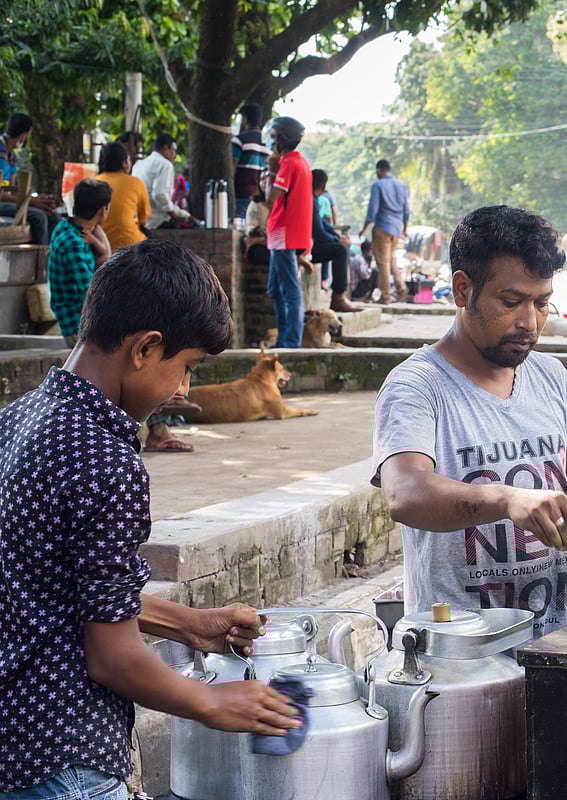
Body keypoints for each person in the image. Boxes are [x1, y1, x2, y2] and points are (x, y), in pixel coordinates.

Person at [0, 239, 299, 797]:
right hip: (67, 756)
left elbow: (56, 587)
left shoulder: (19, 419)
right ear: (144, 349)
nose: (183, 390)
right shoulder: (106, 459)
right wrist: (213, 701)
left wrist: (189, 624)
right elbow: (112, 659)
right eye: (185, 368)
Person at [373, 205, 567, 636]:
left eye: (542, 303)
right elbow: (404, 494)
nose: (529, 322)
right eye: (511, 302)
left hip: (559, 646)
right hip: (464, 655)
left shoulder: (550, 377)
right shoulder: (416, 387)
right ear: (462, 289)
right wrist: (508, 500)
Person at [263, 117, 312, 348]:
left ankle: (291, 342)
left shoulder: (288, 164)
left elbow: (270, 199)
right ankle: (284, 338)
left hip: (284, 233)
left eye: (273, 138)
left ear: (281, 139)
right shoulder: (300, 162)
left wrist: (271, 170)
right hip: (282, 234)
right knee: (275, 290)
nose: (271, 143)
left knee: (290, 291)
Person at [48, 178, 112, 347]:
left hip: (81, 318)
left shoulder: (67, 228)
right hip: (77, 327)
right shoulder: (74, 243)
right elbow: (90, 295)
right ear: (102, 210)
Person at [0, 112, 61, 245]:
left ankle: (53, 258)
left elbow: (12, 189)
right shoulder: (1, 151)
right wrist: (31, 202)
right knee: (38, 216)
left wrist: (36, 199)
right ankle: (42, 260)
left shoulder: (11, 156)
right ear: (23, 135)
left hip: (5, 200)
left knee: (53, 216)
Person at [359, 159, 410, 304]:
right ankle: (401, 287)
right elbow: (406, 210)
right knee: (390, 259)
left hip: (382, 228)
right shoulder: (401, 186)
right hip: (396, 230)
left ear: (379, 170)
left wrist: (364, 229)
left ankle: (385, 296)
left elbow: (372, 210)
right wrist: (405, 229)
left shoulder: (378, 185)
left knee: (382, 263)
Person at [310, 192, 362, 312]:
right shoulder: (309, 199)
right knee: (340, 250)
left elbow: (323, 224)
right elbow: (319, 232)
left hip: (307, 244)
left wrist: (336, 236)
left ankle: (339, 296)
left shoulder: (312, 199)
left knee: (340, 248)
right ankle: (338, 298)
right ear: (323, 188)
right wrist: (337, 240)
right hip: (302, 246)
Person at [95, 142, 151, 251]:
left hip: (98, 244)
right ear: (124, 163)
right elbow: (143, 217)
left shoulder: (93, 182)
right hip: (130, 245)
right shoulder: (136, 183)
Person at [132, 134, 193, 229]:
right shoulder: (165, 164)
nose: (175, 155)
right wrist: (175, 213)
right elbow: (159, 195)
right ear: (165, 149)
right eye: (174, 150)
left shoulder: (139, 165)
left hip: (140, 223)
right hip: (157, 223)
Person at [232, 102, 270, 219]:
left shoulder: (239, 140)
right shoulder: (268, 144)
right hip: (262, 198)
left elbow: (231, 169)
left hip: (242, 194)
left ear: (245, 119)